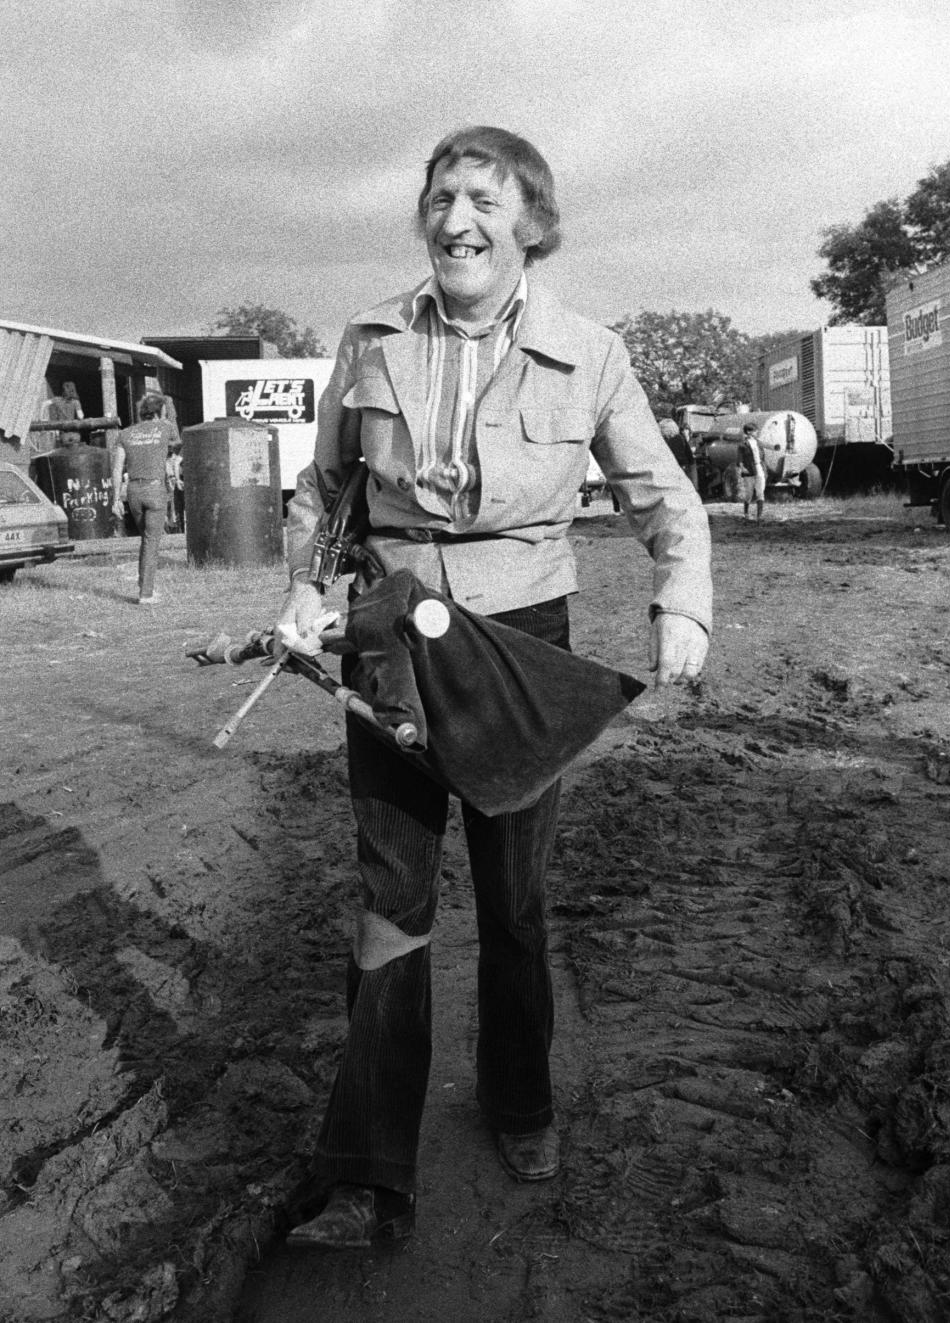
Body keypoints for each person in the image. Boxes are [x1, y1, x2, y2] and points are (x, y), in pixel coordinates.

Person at [274, 125, 712, 1250]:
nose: (455, 219)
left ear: (529, 224)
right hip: (390, 636)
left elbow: (666, 497)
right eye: (439, 198)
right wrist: (303, 594)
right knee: (391, 897)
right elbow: (325, 497)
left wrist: (684, 603)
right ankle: (371, 1167)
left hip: (520, 639)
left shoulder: (593, 351)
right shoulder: (370, 337)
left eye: (481, 198)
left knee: (514, 900)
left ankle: (521, 1100)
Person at [111, 393, 178, 603]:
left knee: (145, 540)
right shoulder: (166, 427)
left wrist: (115, 499)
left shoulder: (125, 434)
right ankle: (146, 594)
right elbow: (175, 445)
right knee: (151, 542)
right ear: (160, 412)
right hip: (155, 490)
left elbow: (116, 468)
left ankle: (144, 586)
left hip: (133, 492)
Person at [737, 421, 766, 521]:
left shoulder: (758, 443)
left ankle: (759, 516)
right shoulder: (743, 445)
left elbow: (762, 456)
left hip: (759, 468)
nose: (756, 432)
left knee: (760, 491)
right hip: (749, 470)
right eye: (755, 430)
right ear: (749, 432)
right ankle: (746, 513)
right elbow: (739, 459)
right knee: (749, 493)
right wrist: (742, 468)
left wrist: (763, 468)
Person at [658, 417, 697, 485]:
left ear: (666, 429)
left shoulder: (673, 440)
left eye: (661, 428)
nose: (660, 431)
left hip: (679, 468)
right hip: (685, 467)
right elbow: (689, 454)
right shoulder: (680, 437)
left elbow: (677, 456)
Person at [47, 381, 84, 447]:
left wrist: (41, 418)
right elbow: (80, 416)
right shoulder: (76, 402)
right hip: (75, 434)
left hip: (63, 435)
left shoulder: (57, 400)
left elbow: (44, 404)